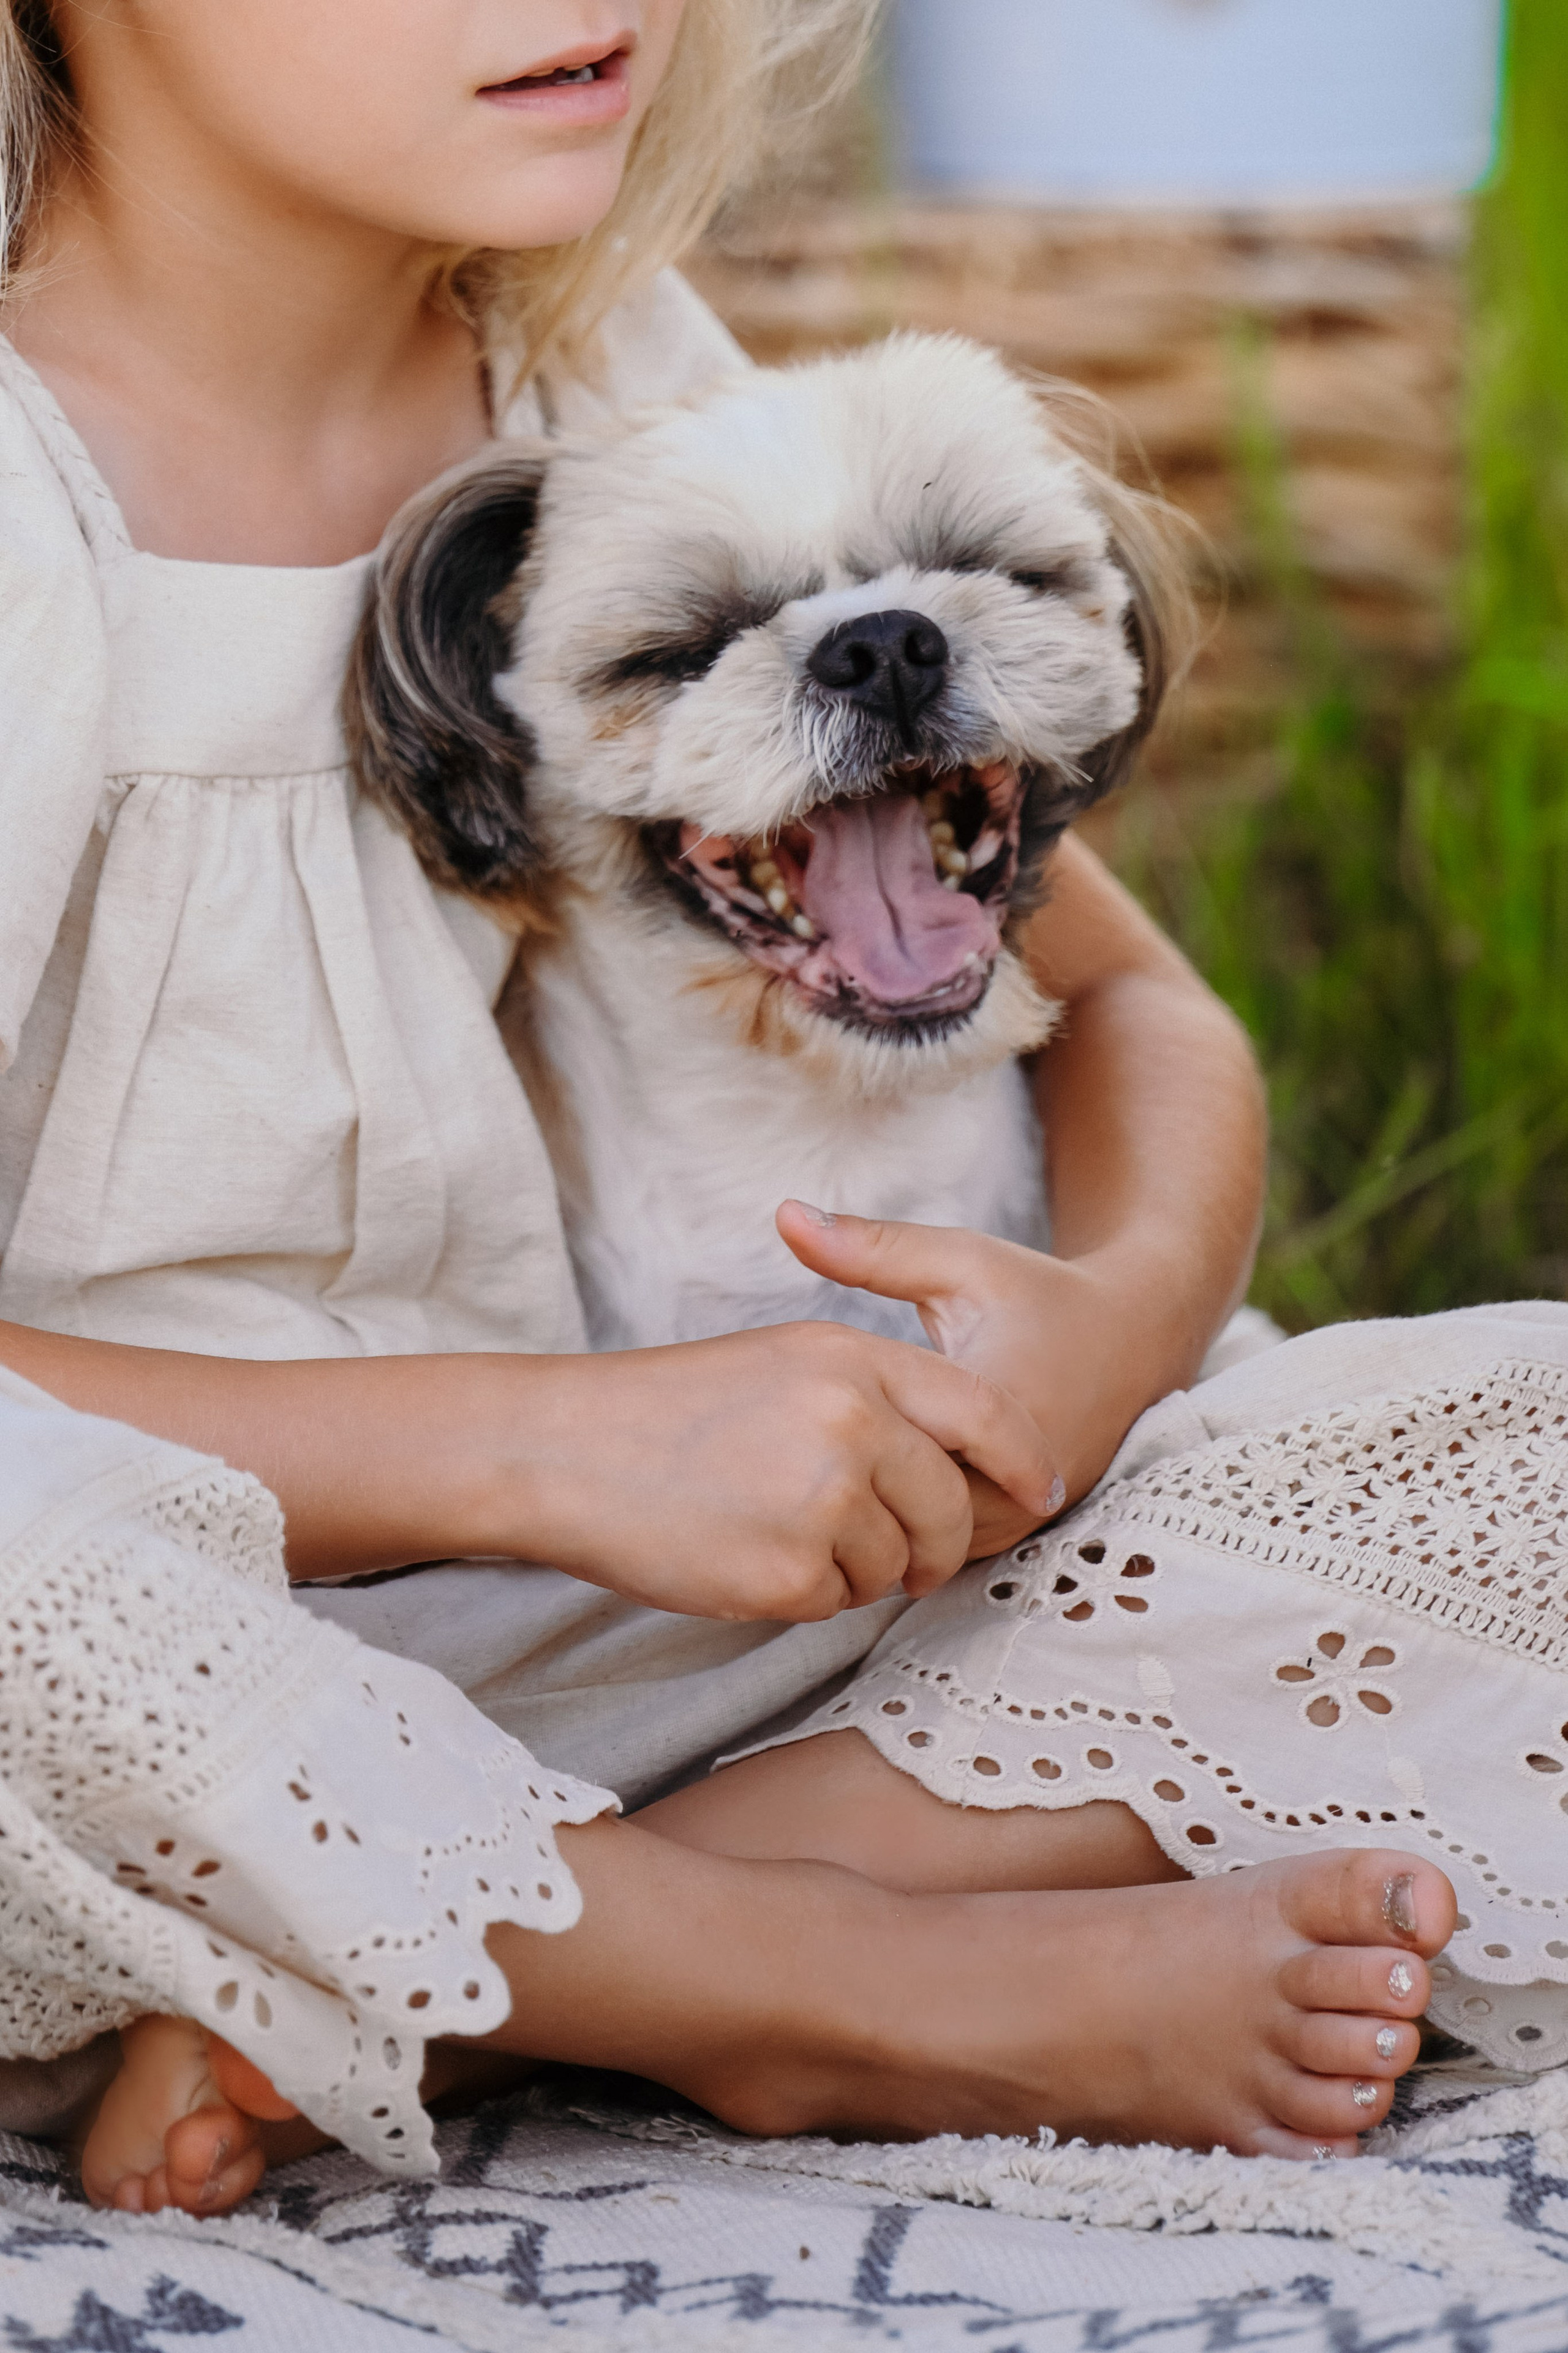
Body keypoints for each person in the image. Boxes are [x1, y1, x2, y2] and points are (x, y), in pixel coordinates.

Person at [0, 0, 1459, 2216]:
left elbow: (1132, 1001)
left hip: (617, 1663)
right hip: (148, 1654)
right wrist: (548, 1446)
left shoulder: (607, 383)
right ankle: (814, 1975)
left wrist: (1118, 1326)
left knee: (1501, 1453)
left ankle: (471, 1956)